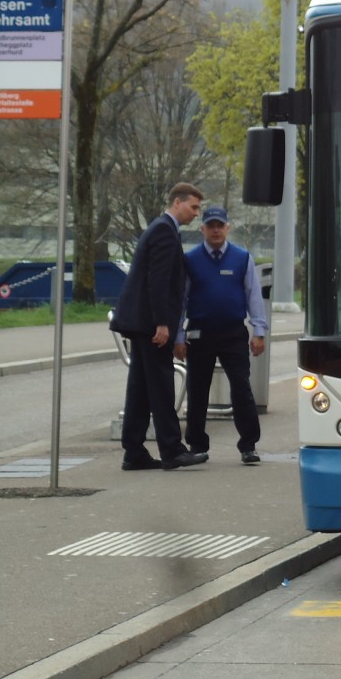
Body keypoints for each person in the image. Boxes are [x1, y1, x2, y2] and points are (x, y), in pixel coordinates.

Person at [110, 182, 208, 471]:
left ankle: (134, 450)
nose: (195, 213)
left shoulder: (158, 228)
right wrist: (163, 323)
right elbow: (159, 282)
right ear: (177, 203)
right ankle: (172, 449)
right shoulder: (165, 232)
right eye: (193, 207)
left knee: (140, 388)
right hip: (152, 325)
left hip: (140, 323)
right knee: (162, 385)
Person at [174, 205, 268, 465]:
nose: (216, 230)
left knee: (241, 387)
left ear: (227, 228)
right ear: (202, 229)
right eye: (210, 226)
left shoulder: (242, 258)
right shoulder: (190, 260)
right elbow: (181, 300)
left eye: (220, 225)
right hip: (200, 333)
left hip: (233, 332)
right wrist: (178, 337)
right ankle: (196, 445)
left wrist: (259, 331)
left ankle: (248, 445)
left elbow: (254, 297)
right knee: (197, 390)